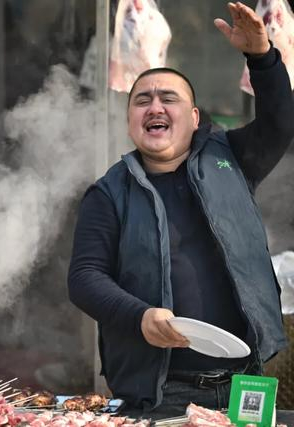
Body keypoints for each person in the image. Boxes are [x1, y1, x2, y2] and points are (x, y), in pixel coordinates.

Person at [67, 1, 294, 419]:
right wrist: (140, 317)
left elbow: (280, 122)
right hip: (160, 391)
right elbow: (84, 278)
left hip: (245, 381)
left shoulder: (230, 159)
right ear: (130, 122)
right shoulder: (109, 192)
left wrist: (262, 57)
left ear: (193, 118)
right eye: (142, 101)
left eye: (168, 99)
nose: (155, 107)